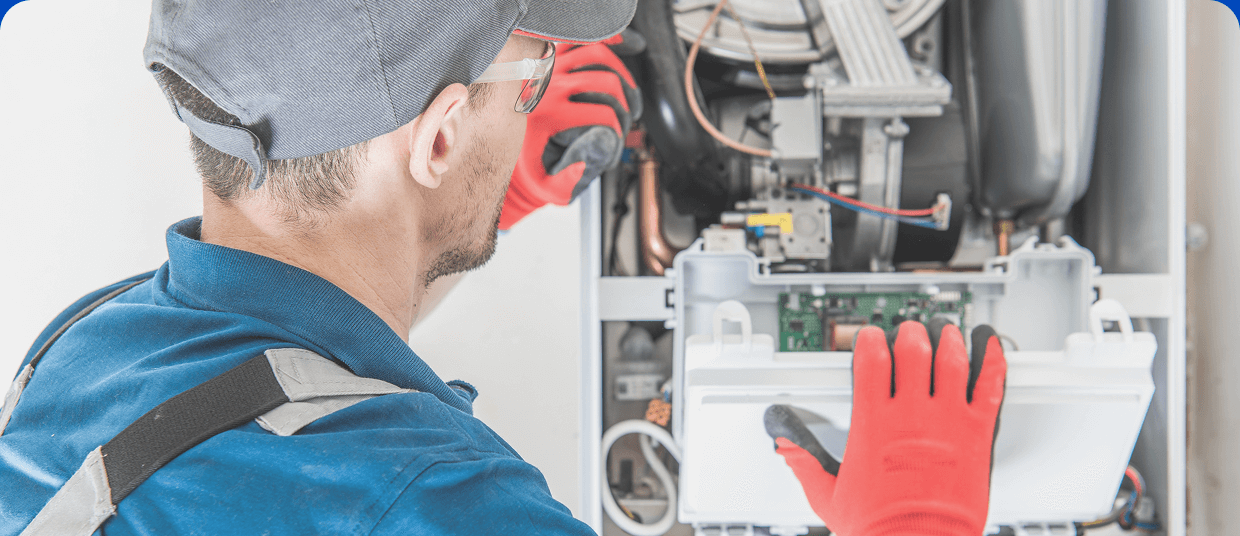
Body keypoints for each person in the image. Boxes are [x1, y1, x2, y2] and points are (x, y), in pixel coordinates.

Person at [0, 0, 1006, 534]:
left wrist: (480, 197)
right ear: (435, 140)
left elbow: (289, 384)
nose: (535, 95)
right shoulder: (436, 505)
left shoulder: (90, 344)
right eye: (527, 77)